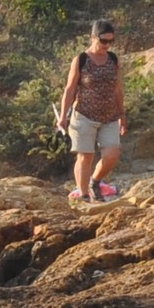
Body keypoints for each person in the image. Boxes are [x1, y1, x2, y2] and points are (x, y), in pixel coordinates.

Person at [55, 19, 125, 200]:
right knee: (85, 157)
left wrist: (122, 116)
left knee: (112, 155)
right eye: (103, 40)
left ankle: (95, 181)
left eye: (111, 41)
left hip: (110, 116)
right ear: (93, 37)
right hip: (84, 115)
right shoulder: (81, 60)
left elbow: (118, 89)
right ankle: (84, 195)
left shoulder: (113, 59)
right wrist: (62, 116)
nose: (107, 45)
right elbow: (70, 89)